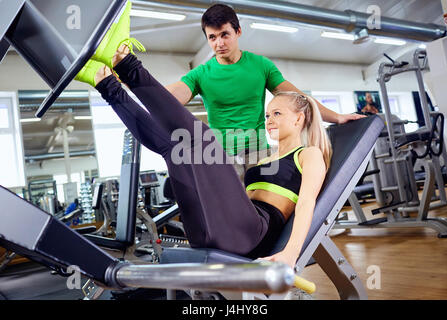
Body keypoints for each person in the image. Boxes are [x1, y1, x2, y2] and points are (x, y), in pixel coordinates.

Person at [73, 1, 331, 269]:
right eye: (267, 115)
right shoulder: (266, 157)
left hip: (251, 235)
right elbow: (173, 99)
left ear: (299, 118)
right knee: (173, 149)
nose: (268, 121)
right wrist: (135, 90)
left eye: (277, 114)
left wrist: (290, 253)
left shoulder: (309, 154)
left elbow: (307, 206)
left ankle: (124, 60)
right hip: (216, 231)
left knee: (201, 139)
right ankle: (105, 83)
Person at [164, 4, 362, 180]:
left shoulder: (261, 66)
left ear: (238, 31)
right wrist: (133, 74)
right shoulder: (200, 74)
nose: (219, 44)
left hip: (258, 152)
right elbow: (166, 98)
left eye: (225, 34)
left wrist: (337, 117)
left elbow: (300, 99)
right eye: (212, 37)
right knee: (234, 214)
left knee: (263, 209)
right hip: (221, 154)